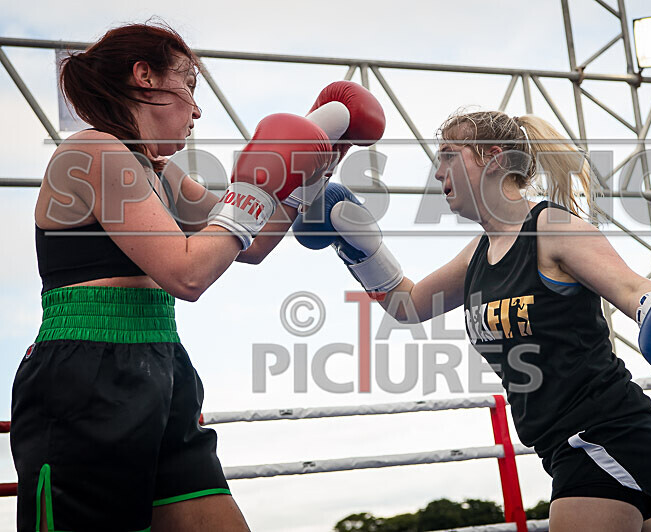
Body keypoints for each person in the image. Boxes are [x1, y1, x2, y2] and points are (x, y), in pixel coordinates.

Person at [11, 21, 385, 532]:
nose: (197, 108)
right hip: (86, 375)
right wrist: (260, 182)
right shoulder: (90, 152)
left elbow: (253, 244)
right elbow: (186, 274)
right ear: (145, 76)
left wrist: (313, 164)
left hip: (162, 367)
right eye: (188, 84)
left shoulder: (161, 172)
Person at [293, 110, 651, 531]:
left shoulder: (551, 227)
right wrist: (355, 241)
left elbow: (630, 289)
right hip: (562, 445)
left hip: (602, 432)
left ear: (494, 158)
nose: (438, 171)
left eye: (449, 155)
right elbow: (408, 304)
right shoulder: (479, 253)